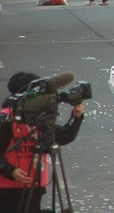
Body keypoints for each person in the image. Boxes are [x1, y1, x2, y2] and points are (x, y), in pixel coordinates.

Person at [0, 72, 84, 213]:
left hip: (34, 186)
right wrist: (11, 171)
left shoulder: (39, 117)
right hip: (7, 189)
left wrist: (76, 117)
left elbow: (63, 137)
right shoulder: (7, 118)